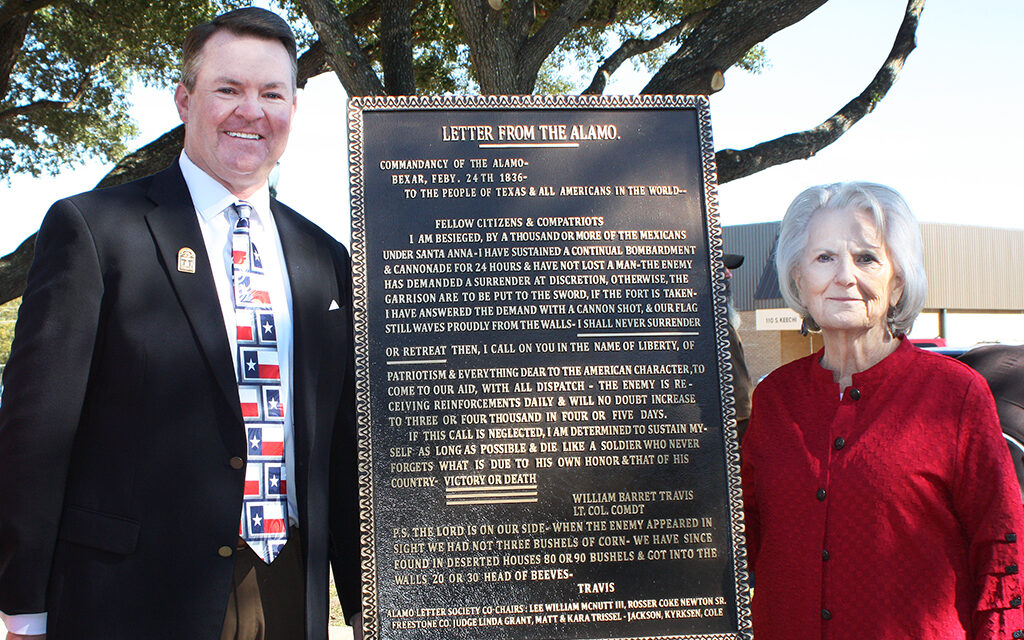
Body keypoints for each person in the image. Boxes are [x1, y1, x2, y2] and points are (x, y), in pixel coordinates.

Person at [0, 8, 360, 640]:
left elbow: (344, 450)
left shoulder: (326, 258)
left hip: (286, 590)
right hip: (129, 597)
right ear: (184, 100)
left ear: (294, 110)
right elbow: (35, 433)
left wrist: (367, 607)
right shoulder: (94, 230)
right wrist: (23, 604)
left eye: (272, 93)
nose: (252, 111)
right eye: (229, 89)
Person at [742, 182, 1024, 639]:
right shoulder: (775, 398)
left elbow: (1001, 545)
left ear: (897, 282)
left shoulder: (955, 395)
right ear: (798, 281)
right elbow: (743, 534)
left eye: (867, 258)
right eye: (824, 258)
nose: (845, 276)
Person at [723, 253, 753, 441]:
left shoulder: (725, 324)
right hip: (732, 429)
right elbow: (740, 400)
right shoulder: (715, 327)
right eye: (720, 268)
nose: (728, 275)